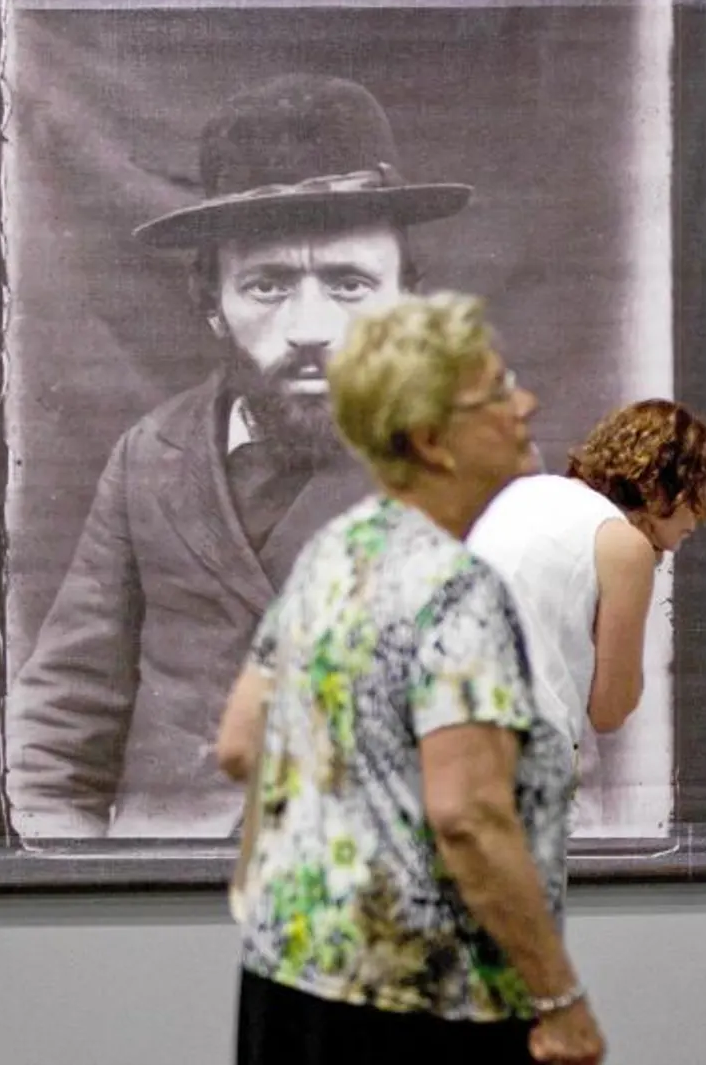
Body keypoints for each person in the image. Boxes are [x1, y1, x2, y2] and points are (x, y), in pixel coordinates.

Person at [4, 72, 472, 840]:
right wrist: (68, 888)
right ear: (211, 301)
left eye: (350, 283)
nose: (310, 325)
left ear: (407, 297)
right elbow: (57, 728)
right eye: (267, 284)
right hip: (153, 898)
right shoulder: (149, 459)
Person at [213, 292, 603, 1065]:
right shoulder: (457, 588)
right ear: (432, 439)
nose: (522, 403)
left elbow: (238, 742)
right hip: (424, 1007)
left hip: (288, 985)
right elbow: (468, 815)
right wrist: (561, 999)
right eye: (496, 392)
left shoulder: (335, 552)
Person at [465, 399, 706, 784]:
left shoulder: (522, 495)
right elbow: (611, 710)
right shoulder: (621, 545)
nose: (700, 517)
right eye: (700, 493)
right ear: (662, 482)